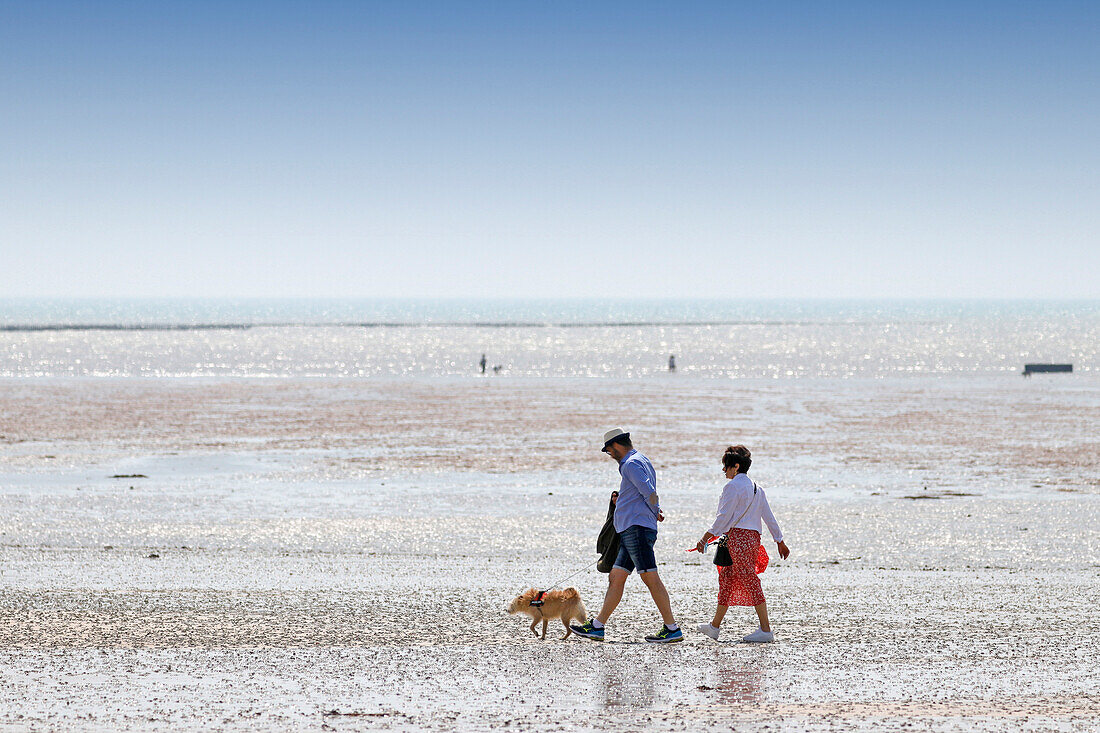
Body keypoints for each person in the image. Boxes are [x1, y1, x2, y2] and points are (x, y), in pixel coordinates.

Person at [572, 428, 682, 643]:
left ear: (616, 446)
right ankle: (597, 626)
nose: (609, 455)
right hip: (633, 528)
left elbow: (649, 492)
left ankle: (672, 628)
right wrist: (621, 501)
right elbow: (641, 493)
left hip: (637, 529)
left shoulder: (631, 464)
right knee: (616, 577)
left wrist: (655, 510)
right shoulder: (641, 460)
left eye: (608, 451)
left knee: (650, 577)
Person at [695, 445, 789, 643]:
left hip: (738, 539)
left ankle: (765, 630)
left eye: (726, 467)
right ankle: (714, 627)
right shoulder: (757, 488)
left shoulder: (732, 487)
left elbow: (723, 517)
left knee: (749, 579)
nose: (724, 470)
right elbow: (768, 516)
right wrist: (779, 540)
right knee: (728, 578)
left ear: (735, 466)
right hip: (752, 539)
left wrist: (705, 538)